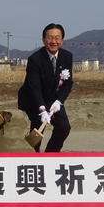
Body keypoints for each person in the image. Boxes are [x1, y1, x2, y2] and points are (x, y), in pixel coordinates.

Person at [18, 23, 74, 152]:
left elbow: (68, 83)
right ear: (44, 40)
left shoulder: (67, 56)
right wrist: (42, 109)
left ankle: (50, 155)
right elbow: (34, 87)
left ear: (62, 40)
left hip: (53, 100)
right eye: (50, 38)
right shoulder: (35, 59)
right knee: (38, 128)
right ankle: (32, 156)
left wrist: (59, 101)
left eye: (57, 38)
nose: (53, 41)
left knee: (64, 127)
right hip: (34, 99)